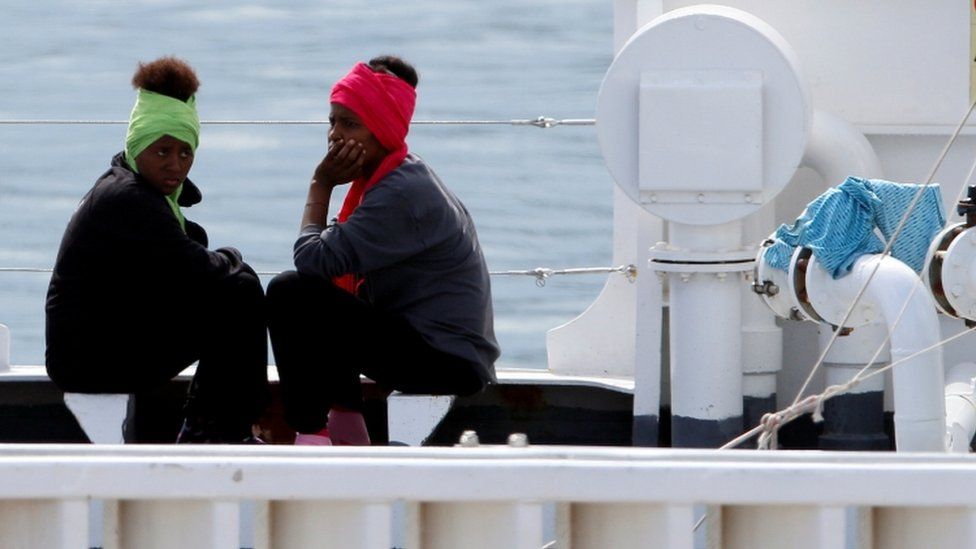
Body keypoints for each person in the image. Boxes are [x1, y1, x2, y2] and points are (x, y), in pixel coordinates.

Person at [266, 55, 500, 445]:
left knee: (289, 292)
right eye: (333, 121)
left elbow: (313, 261)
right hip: (436, 348)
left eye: (350, 124)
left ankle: (311, 437)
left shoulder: (402, 193)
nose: (335, 135)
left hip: (446, 361)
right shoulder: (396, 177)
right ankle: (346, 428)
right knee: (329, 298)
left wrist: (320, 184)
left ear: (382, 131)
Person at [45, 56, 269, 443]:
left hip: (103, 342)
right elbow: (198, 268)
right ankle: (215, 428)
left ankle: (210, 424)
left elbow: (182, 268)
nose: (175, 166)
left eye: (185, 153)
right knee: (240, 289)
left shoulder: (131, 185)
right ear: (138, 144)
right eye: (162, 151)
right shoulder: (127, 199)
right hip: (87, 360)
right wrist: (232, 256)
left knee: (235, 288)